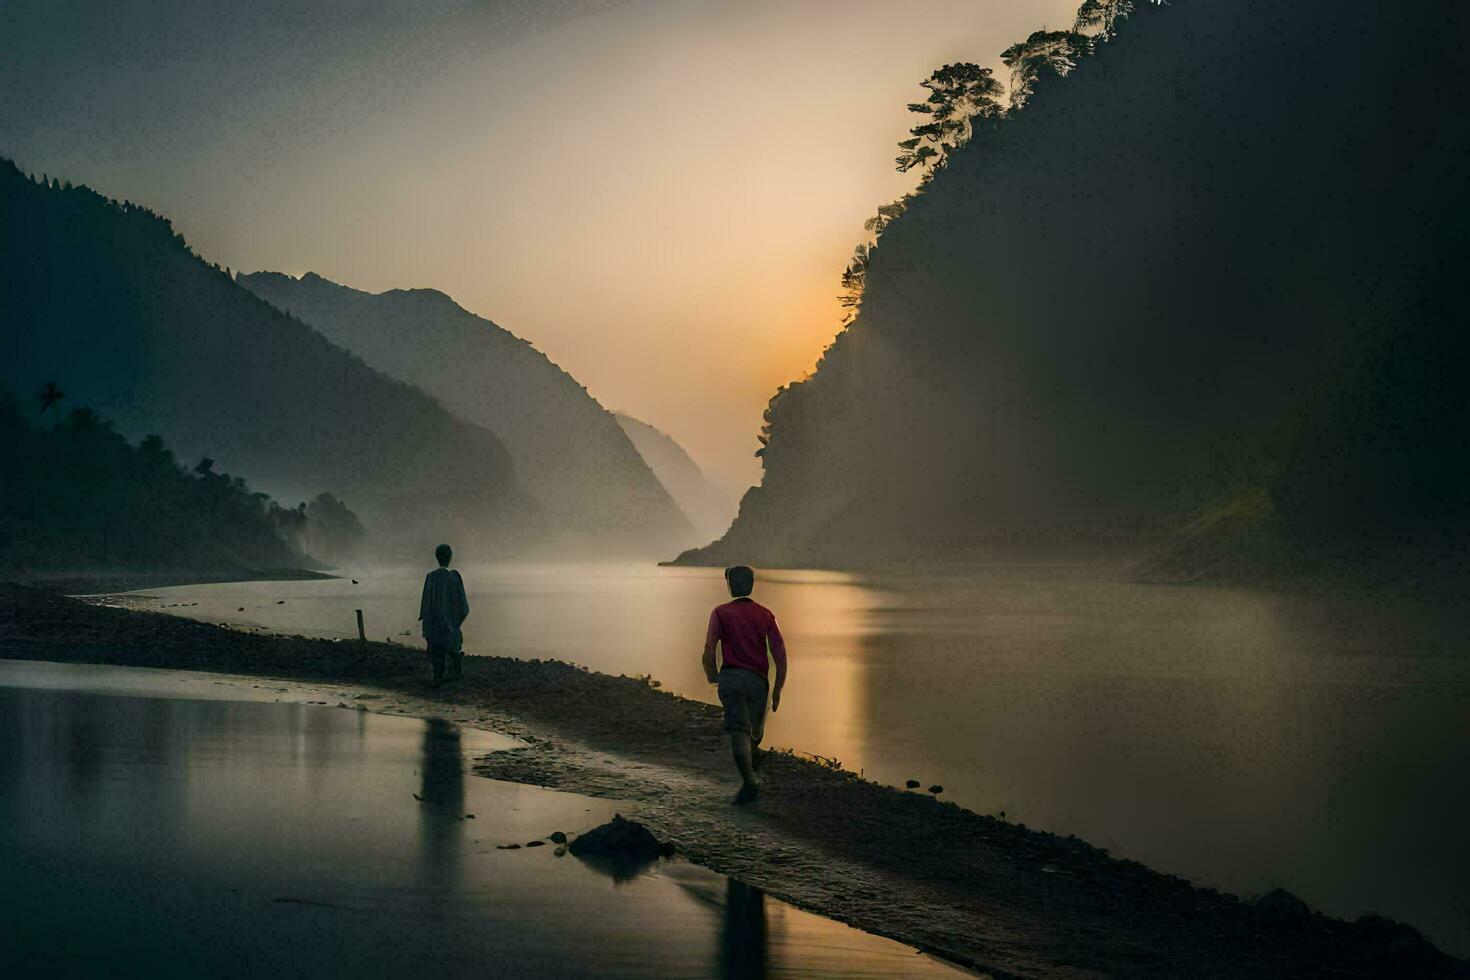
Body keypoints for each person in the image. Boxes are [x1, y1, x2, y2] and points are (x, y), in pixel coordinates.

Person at [702, 565, 787, 804]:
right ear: (751, 585)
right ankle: (751, 775)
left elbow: (709, 649)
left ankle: (749, 781)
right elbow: (780, 655)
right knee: (753, 731)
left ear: (730, 585)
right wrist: (778, 688)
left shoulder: (720, 613)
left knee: (740, 731)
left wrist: (712, 676)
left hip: (732, 677)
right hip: (758, 681)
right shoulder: (766, 615)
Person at [418, 543, 469, 687]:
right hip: (449, 623)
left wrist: (426, 621)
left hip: (433, 623)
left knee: (436, 651)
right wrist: (456, 621)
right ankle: (454, 671)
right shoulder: (454, 576)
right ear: (450, 557)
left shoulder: (430, 577)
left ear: (437, 557)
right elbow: (462, 604)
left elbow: (425, 603)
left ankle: (437, 678)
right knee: (453, 645)